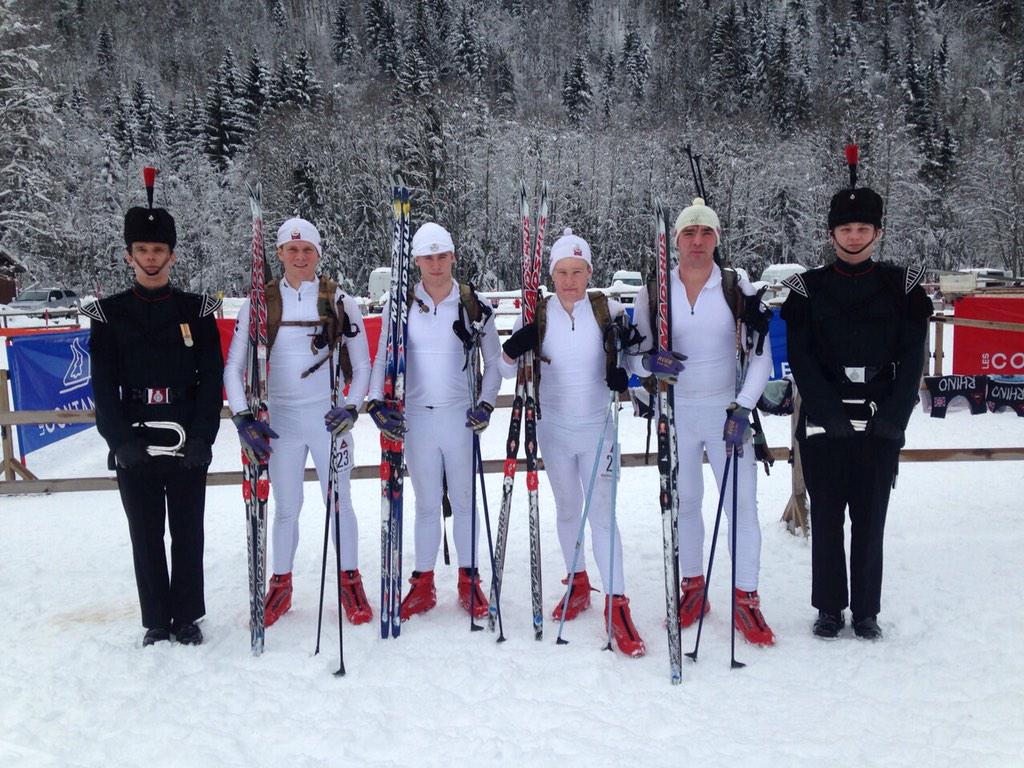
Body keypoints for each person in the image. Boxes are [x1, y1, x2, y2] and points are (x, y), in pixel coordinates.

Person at [781, 181, 932, 641]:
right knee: (826, 518)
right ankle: (829, 608)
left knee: (870, 520)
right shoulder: (807, 290)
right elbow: (802, 360)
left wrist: (892, 420)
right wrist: (829, 416)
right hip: (827, 423)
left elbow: (913, 359)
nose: (852, 235)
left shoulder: (901, 288)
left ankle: (866, 609)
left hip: (880, 420)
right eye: (844, 228)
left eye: (862, 227)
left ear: (878, 232)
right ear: (831, 235)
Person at [632, 198, 776, 647]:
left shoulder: (738, 288)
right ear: (675, 241)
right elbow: (634, 356)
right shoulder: (655, 290)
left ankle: (746, 596)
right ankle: (693, 586)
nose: (697, 242)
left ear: (717, 238)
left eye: (706, 233)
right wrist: (651, 363)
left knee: (741, 507)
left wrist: (743, 406)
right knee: (686, 503)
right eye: (688, 234)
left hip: (726, 413)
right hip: (677, 413)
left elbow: (760, 356)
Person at [499, 228, 647, 657]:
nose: (569, 280)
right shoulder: (538, 313)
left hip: (599, 428)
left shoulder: (609, 311)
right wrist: (515, 346)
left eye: (577, 271)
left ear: (589, 273)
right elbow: (507, 371)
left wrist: (627, 375)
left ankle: (616, 603)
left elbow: (638, 360)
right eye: (562, 271)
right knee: (567, 510)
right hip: (555, 430)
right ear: (552, 274)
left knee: (602, 514)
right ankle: (577, 580)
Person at [86, 194, 224, 647]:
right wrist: (119, 441)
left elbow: (211, 378)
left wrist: (204, 436)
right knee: (144, 534)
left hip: (186, 436)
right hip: (136, 438)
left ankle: (186, 616)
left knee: (187, 531)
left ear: (172, 255)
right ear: (129, 256)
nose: (150, 258)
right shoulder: (108, 314)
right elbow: (102, 385)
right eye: (142, 250)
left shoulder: (197, 310)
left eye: (158, 250)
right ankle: (155, 620)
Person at [224, 218, 372, 627]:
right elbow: (234, 368)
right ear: (279, 254)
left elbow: (362, 365)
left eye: (308, 250)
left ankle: (350, 581)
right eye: (292, 250)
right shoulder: (260, 303)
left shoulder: (339, 299)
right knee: (287, 506)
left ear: (319, 254)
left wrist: (352, 405)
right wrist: (242, 417)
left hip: (329, 418)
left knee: (338, 502)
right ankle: (282, 584)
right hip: (281, 422)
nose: (300, 257)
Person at [367, 222, 501, 621]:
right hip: (418, 421)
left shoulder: (472, 305)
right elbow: (382, 358)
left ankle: (468, 580)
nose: (437, 265)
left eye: (443, 256)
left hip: (460, 418)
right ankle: (422, 584)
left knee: (464, 502)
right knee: (426, 505)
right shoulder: (401, 305)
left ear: (453, 257)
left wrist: (487, 404)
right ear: (417, 261)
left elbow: (493, 363)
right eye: (429, 257)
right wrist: (376, 402)